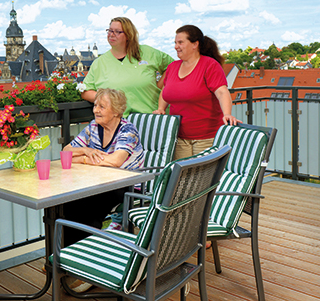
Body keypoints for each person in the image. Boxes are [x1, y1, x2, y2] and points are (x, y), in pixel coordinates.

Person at [61, 88, 144, 292]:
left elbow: (116, 161)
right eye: (95, 105)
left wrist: (82, 160)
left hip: (126, 185)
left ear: (116, 111)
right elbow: (66, 151)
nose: (95, 110)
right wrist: (86, 150)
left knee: (87, 206)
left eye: (101, 106)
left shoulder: (128, 131)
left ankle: (88, 267)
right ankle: (71, 258)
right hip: (98, 181)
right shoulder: (92, 127)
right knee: (68, 203)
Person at [155, 25, 240, 160]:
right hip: (179, 138)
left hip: (207, 138)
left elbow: (222, 92)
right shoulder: (172, 67)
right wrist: (161, 109)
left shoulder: (209, 65)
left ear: (195, 44)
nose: (176, 46)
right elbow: (166, 91)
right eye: (175, 43)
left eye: (180, 42)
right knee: (182, 179)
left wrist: (227, 114)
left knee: (204, 179)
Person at [82, 17, 174, 117]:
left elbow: (174, 67)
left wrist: (160, 85)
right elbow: (86, 91)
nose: (111, 35)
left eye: (117, 32)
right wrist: (106, 98)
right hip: (116, 124)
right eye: (110, 31)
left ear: (128, 35)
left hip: (150, 120)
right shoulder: (99, 63)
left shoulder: (148, 53)